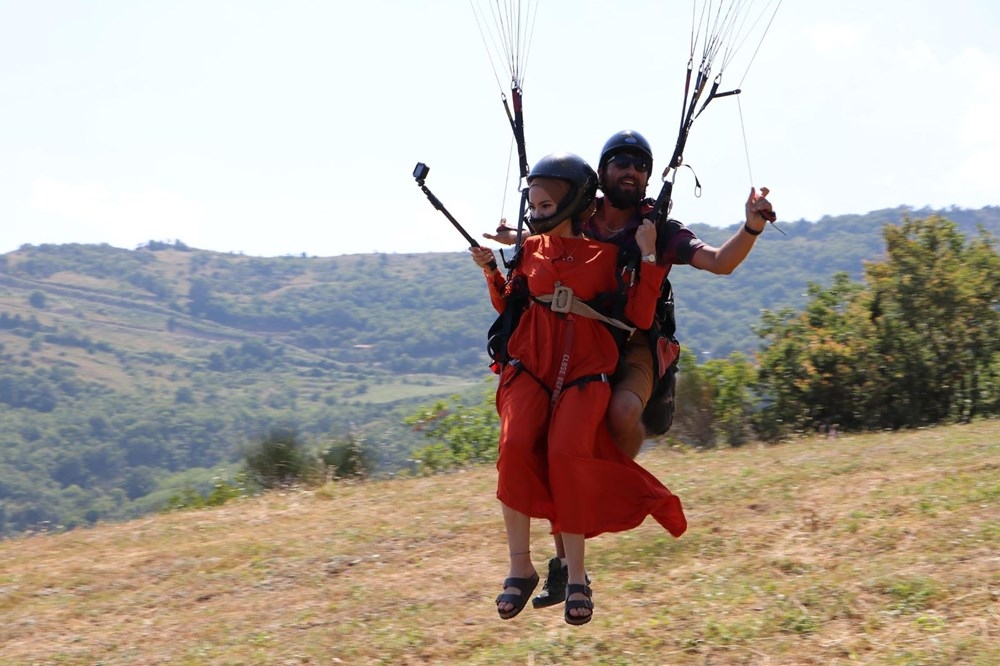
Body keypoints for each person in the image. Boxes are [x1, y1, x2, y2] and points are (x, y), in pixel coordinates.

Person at [482, 129, 774, 608]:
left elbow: (720, 263)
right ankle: (562, 558)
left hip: (634, 339)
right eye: (620, 161)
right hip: (570, 342)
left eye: (640, 164)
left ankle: (603, 488)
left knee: (616, 413)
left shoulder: (660, 228)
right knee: (539, 439)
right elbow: (550, 237)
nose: (630, 170)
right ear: (601, 172)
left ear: (647, 176)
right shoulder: (580, 208)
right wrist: (519, 238)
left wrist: (751, 227)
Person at [470, 152, 687, 626]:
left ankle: (576, 577)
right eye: (536, 202)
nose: (539, 209)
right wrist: (490, 269)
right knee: (514, 446)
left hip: (585, 369)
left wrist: (649, 257)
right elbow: (508, 301)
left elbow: (638, 317)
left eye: (548, 203)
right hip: (531, 364)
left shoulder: (610, 258)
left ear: (572, 203)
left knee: (567, 453)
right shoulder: (531, 249)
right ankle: (520, 566)